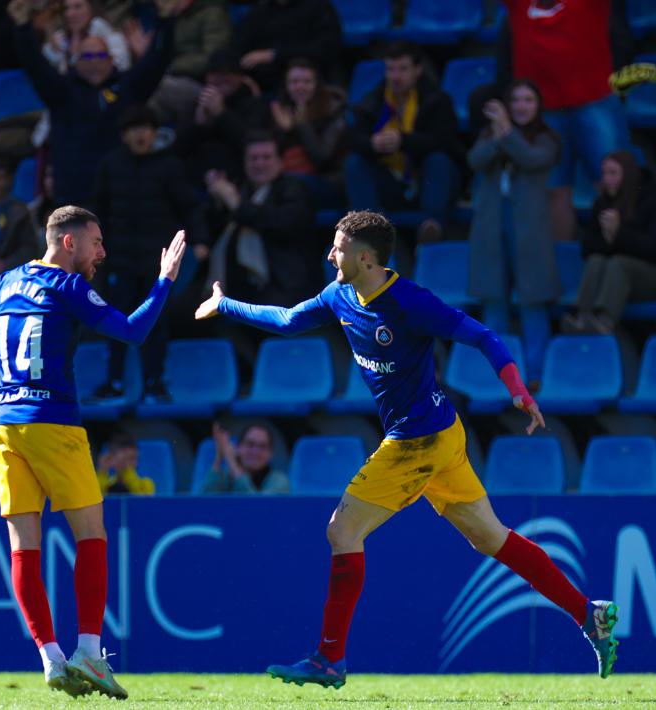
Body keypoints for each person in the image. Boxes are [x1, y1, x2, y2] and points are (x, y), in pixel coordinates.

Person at [194, 210, 619, 689]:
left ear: (365, 257)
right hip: (441, 435)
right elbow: (290, 320)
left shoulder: (409, 301)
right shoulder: (340, 295)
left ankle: (329, 659)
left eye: (336, 247)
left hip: (418, 441)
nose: (329, 254)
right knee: (490, 537)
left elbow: (482, 335)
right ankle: (588, 613)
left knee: (342, 530)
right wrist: (226, 304)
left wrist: (517, 388)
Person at [0, 206, 187, 699]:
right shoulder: (69, 286)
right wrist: (164, 281)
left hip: (7, 429)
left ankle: (50, 657)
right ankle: (88, 650)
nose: (102, 252)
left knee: (24, 545)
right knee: (91, 535)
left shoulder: (5, 283)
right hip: (53, 424)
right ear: (68, 243)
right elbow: (133, 331)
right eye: (96, 242)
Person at [90, 104, 207, 402]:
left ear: (155, 133)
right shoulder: (110, 165)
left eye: (146, 129)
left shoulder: (170, 166)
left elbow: (189, 206)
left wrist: (201, 240)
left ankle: (155, 382)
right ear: (124, 135)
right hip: (119, 260)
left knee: (156, 323)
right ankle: (114, 382)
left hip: (158, 263)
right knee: (115, 321)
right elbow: (98, 211)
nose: (140, 135)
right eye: (134, 129)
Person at [9, 0, 175, 206]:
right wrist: (24, 27)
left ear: (110, 59)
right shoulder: (61, 91)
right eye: (87, 55)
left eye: (100, 55)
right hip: (75, 193)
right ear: (76, 61)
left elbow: (157, 61)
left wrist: (166, 21)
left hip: (122, 193)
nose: (94, 60)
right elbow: (33, 63)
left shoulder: (128, 88)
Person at [502, 0, 631, 242]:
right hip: (544, 111)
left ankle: (621, 255)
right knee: (552, 194)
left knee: (614, 186)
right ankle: (562, 265)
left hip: (594, 102)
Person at [467, 79, 560, 387]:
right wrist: (498, 135)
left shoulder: (546, 138)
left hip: (530, 231)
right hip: (493, 228)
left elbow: (532, 159)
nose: (521, 107)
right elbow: (475, 159)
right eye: (516, 100)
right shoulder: (491, 134)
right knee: (494, 303)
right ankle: (497, 376)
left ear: (538, 106)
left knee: (533, 303)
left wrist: (506, 132)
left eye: (528, 101)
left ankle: (535, 374)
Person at [343, 41, 462, 243]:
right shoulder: (372, 102)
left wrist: (404, 141)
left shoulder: (438, 100)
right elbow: (352, 139)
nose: (395, 76)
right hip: (391, 180)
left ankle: (432, 224)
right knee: (354, 163)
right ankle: (368, 228)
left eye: (403, 69)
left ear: (418, 70)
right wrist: (372, 144)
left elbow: (447, 142)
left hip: (427, 182)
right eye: (390, 69)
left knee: (439, 160)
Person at [563, 150, 656, 335]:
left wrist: (620, 234)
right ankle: (581, 316)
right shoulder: (602, 203)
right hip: (615, 281)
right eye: (604, 173)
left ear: (628, 174)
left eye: (613, 173)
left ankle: (604, 320)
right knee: (596, 261)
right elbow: (588, 248)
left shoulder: (655, 199)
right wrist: (609, 237)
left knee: (619, 264)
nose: (606, 179)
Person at [204, 132, 318, 308]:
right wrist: (217, 201)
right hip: (231, 281)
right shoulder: (239, 188)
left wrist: (237, 205)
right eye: (253, 158)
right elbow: (214, 232)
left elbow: (285, 225)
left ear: (280, 162)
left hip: (280, 280)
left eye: (266, 157)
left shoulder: (292, 188)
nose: (259, 163)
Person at [177, 47, 270, 182]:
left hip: (239, 180)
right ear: (207, 77)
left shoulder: (255, 105)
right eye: (215, 72)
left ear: (241, 77)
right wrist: (197, 125)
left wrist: (221, 113)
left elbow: (253, 146)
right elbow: (177, 150)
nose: (222, 78)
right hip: (196, 181)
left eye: (229, 72)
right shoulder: (195, 105)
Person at [270, 57, 347, 202]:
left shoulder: (335, 110)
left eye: (307, 82)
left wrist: (301, 125)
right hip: (289, 175)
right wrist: (284, 131)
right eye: (294, 82)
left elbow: (323, 158)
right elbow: (271, 157)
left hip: (327, 180)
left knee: (288, 187)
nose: (300, 87)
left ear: (317, 84)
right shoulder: (282, 110)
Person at [232, 0, 342, 94]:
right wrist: (241, 76)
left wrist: (275, 54)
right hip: (262, 83)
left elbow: (326, 49)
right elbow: (238, 49)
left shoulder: (319, 7)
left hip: (310, 79)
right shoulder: (259, 11)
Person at [199, 421, 288, 494]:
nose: (255, 452)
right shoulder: (225, 477)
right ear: (238, 448)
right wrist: (219, 458)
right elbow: (203, 506)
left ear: (270, 454)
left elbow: (257, 508)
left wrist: (232, 463)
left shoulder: (279, 482)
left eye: (262, 446)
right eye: (250, 444)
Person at [95, 430, 155, 495]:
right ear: (112, 459)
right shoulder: (105, 484)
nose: (128, 464)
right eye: (125, 459)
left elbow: (142, 499)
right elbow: (96, 499)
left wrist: (128, 473)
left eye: (133, 458)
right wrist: (103, 472)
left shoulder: (146, 484)